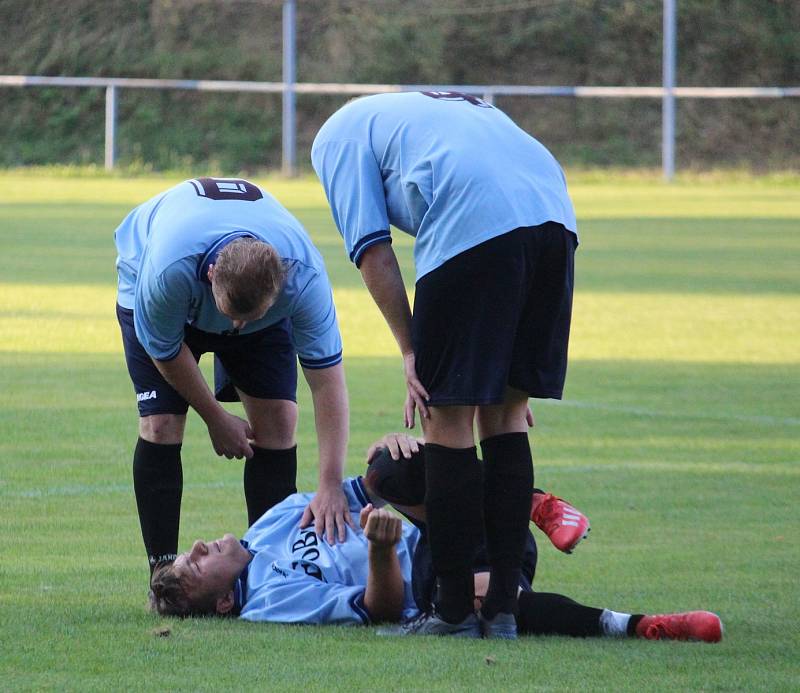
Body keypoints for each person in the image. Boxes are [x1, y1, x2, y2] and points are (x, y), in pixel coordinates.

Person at [311, 91, 579, 636]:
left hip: (474, 216)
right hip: (555, 217)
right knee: (504, 413)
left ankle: (453, 609)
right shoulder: (442, 109)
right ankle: (503, 606)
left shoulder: (335, 136)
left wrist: (413, 353)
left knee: (444, 413)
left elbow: (373, 249)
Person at [149, 434, 723, 645]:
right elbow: (380, 610)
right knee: (489, 601)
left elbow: (362, 486)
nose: (199, 547)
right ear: (224, 601)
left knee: (385, 461)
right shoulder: (267, 603)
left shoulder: (267, 524)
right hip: (434, 573)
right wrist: (378, 547)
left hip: (452, 516)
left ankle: (531, 501)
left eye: (189, 549)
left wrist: (393, 447)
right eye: (194, 567)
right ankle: (641, 625)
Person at [114, 176, 352, 577]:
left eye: (249, 318)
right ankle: (163, 574)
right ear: (211, 279)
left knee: (279, 422)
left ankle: (269, 572)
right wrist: (216, 418)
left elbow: (327, 381)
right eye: (231, 316)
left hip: (248, 299)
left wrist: (330, 482)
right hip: (156, 286)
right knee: (161, 424)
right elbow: (167, 351)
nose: (236, 327)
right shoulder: (168, 270)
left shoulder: (303, 276)